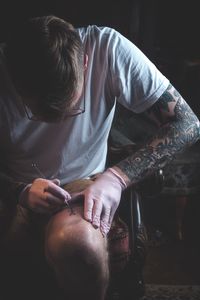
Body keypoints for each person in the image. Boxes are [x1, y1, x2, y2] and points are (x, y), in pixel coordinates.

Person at [0, 15, 199, 300]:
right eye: (39, 112)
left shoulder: (107, 48)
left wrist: (118, 178)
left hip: (82, 183)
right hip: (11, 182)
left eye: (69, 109)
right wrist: (19, 191)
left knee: (77, 242)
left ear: (84, 63)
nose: (55, 123)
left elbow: (188, 124)